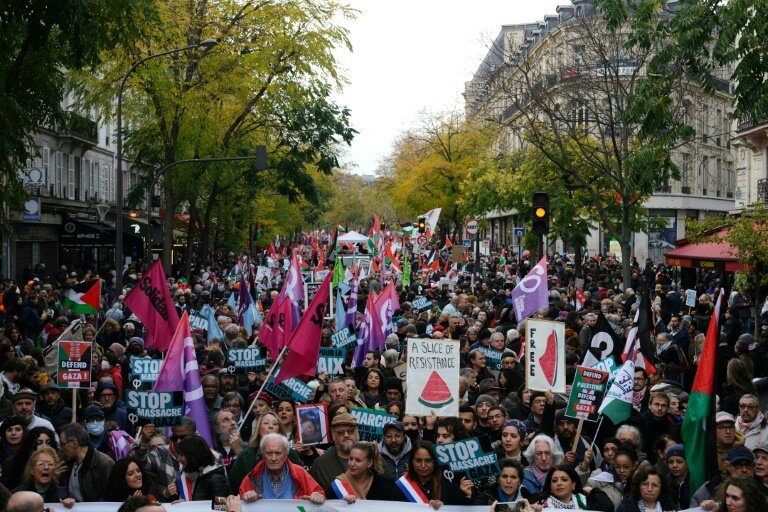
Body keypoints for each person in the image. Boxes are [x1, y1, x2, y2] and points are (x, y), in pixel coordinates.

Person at [239, 433, 325, 503]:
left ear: (286, 455)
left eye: (278, 453)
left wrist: (318, 496)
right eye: (269, 453)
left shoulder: (300, 473)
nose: (273, 458)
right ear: (262, 455)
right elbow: (240, 503)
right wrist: (245, 497)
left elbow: (319, 494)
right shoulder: (252, 477)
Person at [391, 440, 474, 508]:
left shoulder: (448, 484)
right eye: (418, 460)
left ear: (435, 462)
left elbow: (460, 509)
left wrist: (467, 496)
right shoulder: (401, 486)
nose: (423, 466)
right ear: (412, 461)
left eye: (428, 461)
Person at [60, 422, 114, 502]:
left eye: (62, 444)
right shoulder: (66, 464)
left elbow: (112, 498)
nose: (61, 448)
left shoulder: (104, 463)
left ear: (74, 444)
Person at [310, 412, 359, 492]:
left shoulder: (372, 457)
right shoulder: (320, 465)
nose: (346, 435)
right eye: (340, 432)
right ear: (333, 435)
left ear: (357, 433)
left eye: (350, 431)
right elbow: (311, 490)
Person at [170, 434, 228, 501]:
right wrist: (185, 505)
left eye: (182, 455)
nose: (179, 458)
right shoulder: (201, 475)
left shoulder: (216, 479)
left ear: (193, 456)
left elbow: (221, 507)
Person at [535, 465, 613, 511]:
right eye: (554, 481)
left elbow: (608, 507)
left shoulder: (584, 501)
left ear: (573, 484)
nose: (559, 483)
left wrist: (592, 490)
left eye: (564, 480)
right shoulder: (540, 505)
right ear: (550, 487)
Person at [664, 444, 690, 509]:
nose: (674, 465)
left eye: (679, 461)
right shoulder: (664, 483)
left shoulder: (694, 482)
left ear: (687, 462)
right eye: (671, 462)